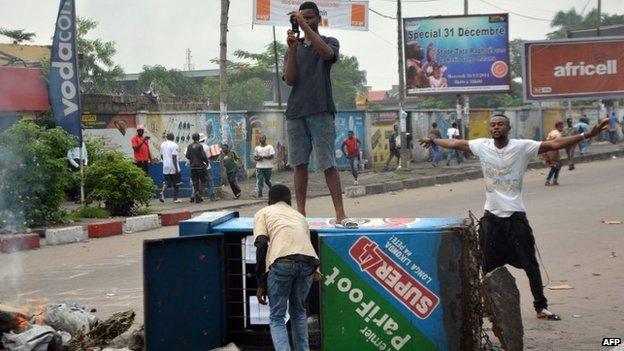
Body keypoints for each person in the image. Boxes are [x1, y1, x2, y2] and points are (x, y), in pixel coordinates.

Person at [418, 114, 609, 321]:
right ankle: (489, 307)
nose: (496, 127)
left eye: (500, 124)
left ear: (508, 127)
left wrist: (586, 135)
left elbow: (554, 143)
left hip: (516, 218)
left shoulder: (522, 147)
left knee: (531, 265)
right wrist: (434, 140)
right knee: (487, 267)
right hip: (491, 219)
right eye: (493, 125)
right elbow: (455, 143)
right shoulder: (482, 146)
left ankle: (541, 307)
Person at [283, 1, 346, 223]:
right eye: (302, 18)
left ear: (319, 19)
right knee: (299, 164)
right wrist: (292, 51)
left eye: (309, 17)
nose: (305, 21)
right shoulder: (294, 46)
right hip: (295, 113)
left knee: (328, 163)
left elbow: (327, 54)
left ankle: (340, 213)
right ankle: (301, 212)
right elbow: (290, 80)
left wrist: (305, 27)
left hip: (321, 110)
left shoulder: (329, 42)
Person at [254, 184, 319, 351]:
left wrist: (261, 283)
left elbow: (261, 244)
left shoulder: (263, 212)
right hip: (308, 263)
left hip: (281, 261)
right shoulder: (299, 217)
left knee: (277, 317)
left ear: (269, 201)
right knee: (298, 313)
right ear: (289, 201)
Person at [185, 133, 209, 203]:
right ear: (198, 138)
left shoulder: (189, 146)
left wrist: (192, 157)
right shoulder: (200, 146)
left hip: (192, 167)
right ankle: (199, 193)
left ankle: (197, 199)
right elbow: (203, 156)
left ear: (192, 138)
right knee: (204, 180)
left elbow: (187, 156)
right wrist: (206, 162)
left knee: (195, 182)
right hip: (200, 167)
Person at [159, 133, 181, 203]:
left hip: (165, 166)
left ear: (167, 137)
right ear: (173, 137)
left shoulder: (162, 144)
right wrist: (176, 169)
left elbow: (162, 156)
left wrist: (165, 161)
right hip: (173, 166)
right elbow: (174, 157)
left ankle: (162, 193)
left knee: (167, 182)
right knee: (176, 184)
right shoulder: (175, 145)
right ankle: (175, 199)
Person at [543, 121, 564, 186]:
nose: (562, 128)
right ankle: (549, 180)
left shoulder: (552, 132)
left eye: (562, 127)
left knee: (557, 165)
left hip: (548, 150)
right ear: (557, 127)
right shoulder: (558, 134)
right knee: (555, 166)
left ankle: (553, 180)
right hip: (553, 151)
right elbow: (558, 143)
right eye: (561, 127)